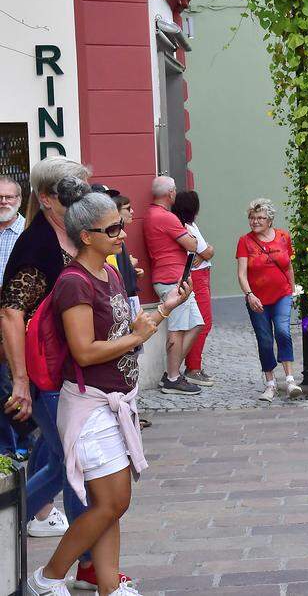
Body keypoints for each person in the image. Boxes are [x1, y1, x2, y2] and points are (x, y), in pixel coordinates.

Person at [26, 178, 189, 596]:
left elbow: (124, 331)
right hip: (89, 406)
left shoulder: (111, 273)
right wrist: (135, 338)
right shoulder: (75, 282)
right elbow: (84, 351)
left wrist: (164, 309)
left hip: (114, 402)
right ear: (86, 236)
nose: (121, 234)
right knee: (111, 504)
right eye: (112, 229)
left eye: (121, 225)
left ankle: (108, 586)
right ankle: (47, 577)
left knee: (112, 506)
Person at [1, 159, 129, 590]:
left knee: (61, 464)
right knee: (75, 469)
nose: (81, 193)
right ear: (48, 199)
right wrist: (21, 379)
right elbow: (11, 313)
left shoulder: (74, 237)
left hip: (74, 376)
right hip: (51, 374)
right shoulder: (38, 244)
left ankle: (89, 562)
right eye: (70, 189)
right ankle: (78, 564)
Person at [236, 198, 301, 402]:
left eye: (260, 218)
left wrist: (292, 290)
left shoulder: (283, 237)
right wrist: (249, 295)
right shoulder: (244, 241)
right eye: (252, 218)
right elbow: (241, 274)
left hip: (282, 294)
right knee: (264, 340)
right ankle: (270, 383)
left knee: (282, 331)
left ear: (270, 220)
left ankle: (290, 380)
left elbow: (288, 266)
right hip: (257, 299)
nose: (255, 221)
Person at [143, 176, 203, 395]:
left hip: (171, 276)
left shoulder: (151, 214)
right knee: (177, 330)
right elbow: (192, 244)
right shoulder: (166, 217)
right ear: (170, 193)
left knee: (197, 323)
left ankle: (172, 370)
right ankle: (173, 377)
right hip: (172, 280)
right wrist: (191, 238)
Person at [171, 191, 215, 387]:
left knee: (199, 321)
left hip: (200, 274)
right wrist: (207, 253)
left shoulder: (186, 224)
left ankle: (192, 365)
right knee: (203, 322)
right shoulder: (188, 226)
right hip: (198, 277)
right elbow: (207, 251)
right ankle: (193, 368)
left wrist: (207, 253)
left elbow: (207, 252)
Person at [0, 177, 27, 462]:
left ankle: (24, 439)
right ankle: (7, 444)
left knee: (19, 380)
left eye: (9, 197)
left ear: (19, 199)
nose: (4, 202)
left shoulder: (27, 233)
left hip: (19, 316)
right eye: (0, 197)